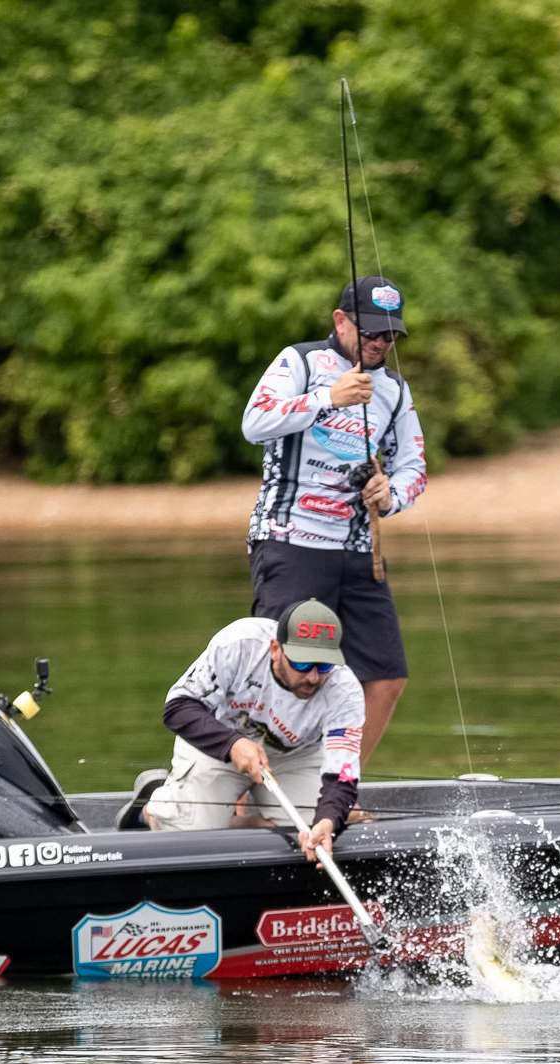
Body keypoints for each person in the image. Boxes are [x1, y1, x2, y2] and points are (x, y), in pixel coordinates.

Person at [241, 275, 426, 769]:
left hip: (359, 551)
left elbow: (414, 466)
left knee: (387, 676)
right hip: (290, 542)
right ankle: (257, 790)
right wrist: (327, 398)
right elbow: (254, 424)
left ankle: (339, 785)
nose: (381, 344)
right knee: (288, 670)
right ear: (341, 321)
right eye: (372, 332)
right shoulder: (299, 362)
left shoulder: (394, 389)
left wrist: (390, 497)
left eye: (391, 336)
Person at [141, 599, 363, 863]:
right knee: (193, 836)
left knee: (323, 826)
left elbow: (343, 774)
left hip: (294, 757)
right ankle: (152, 809)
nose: (313, 678)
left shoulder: (346, 691)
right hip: (217, 743)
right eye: (302, 664)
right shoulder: (237, 645)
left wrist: (327, 822)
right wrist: (234, 744)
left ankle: (237, 823)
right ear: (275, 649)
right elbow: (178, 708)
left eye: (323, 666)